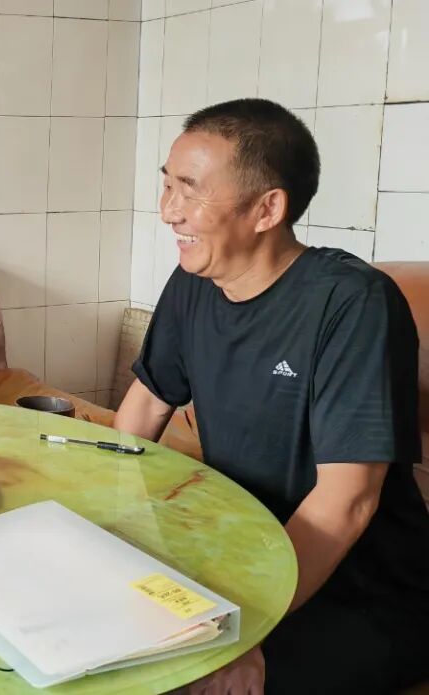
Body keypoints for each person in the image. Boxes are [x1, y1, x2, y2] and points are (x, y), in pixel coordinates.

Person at [114, 99, 429, 694]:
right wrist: (102, 523)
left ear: (267, 208)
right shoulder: (194, 282)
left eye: (189, 191)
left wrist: (246, 629)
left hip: (358, 592)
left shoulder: (352, 303)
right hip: (242, 556)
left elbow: (347, 502)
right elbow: (147, 406)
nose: (168, 211)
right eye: (167, 185)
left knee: (174, 680)